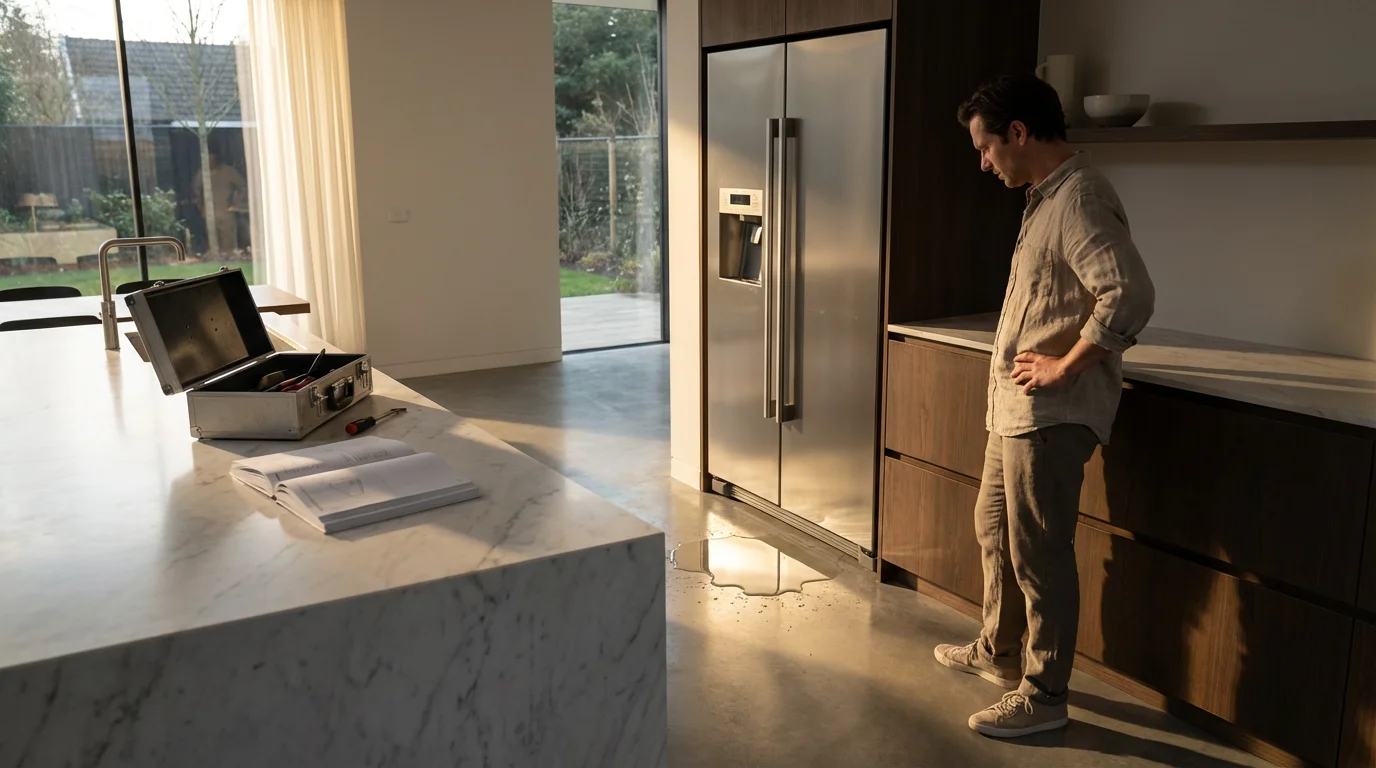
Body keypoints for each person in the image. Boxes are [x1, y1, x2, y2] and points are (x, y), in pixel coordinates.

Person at [934, 72, 1155, 738]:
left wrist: (1064, 365)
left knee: (1039, 555)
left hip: (1051, 416)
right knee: (994, 530)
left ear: (1019, 133)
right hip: (1015, 409)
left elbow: (1129, 294)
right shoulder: (1046, 198)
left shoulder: (1080, 197)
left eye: (986, 147)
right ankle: (1000, 651)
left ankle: (1044, 694)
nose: (983, 162)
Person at [192, 150, 246, 255]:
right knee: (212, 242)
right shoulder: (201, 174)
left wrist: (236, 205)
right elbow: (196, 193)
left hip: (226, 213)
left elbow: (243, 188)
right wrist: (201, 208)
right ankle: (214, 257)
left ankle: (229, 258)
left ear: (217, 158)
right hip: (209, 214)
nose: (210, 162)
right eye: (207, 159)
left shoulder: (229, 172)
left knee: (228, 242)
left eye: (212, 158)